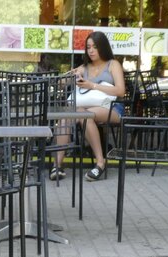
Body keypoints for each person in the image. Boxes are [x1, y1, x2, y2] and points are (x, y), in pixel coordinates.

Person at [51, 32, 125, 182]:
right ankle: (58, 165)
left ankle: (100, 163)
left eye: (95, 47)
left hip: (111, 108)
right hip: (84, 109)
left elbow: (121, 91)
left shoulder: (113, 64)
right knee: (66, 117)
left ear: (103, 48)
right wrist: (70, 77)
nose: (91, 50)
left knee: (83, 114)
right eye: (89, 47)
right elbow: (60, 84)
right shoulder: (84, 67)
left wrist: (92, 85)